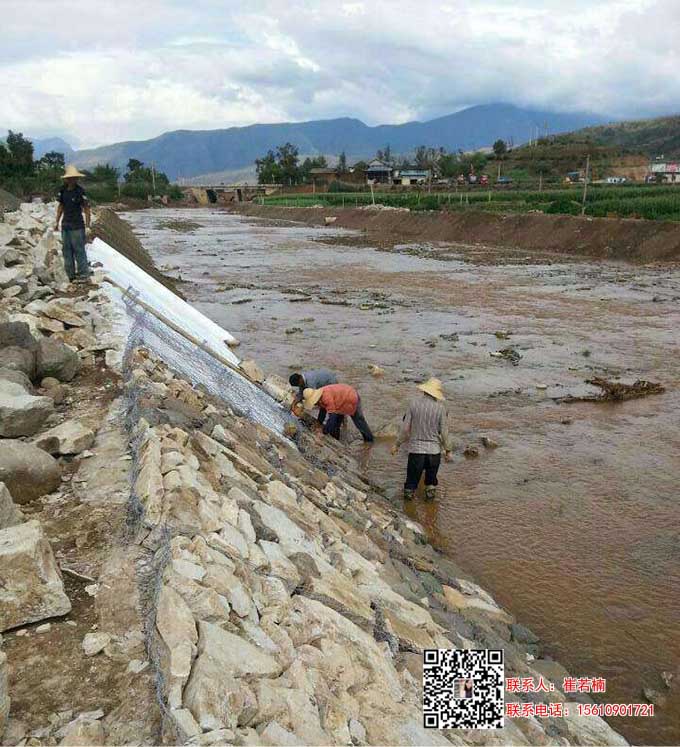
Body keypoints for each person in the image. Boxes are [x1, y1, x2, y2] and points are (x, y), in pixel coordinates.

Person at [391, 377, 452, 501]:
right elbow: (444, 432)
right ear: (436, 394)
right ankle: (430, 514)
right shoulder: (441, 409)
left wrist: (397, 444)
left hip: (416, 451)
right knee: (430, 484)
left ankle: (408, 512)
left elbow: (405, 429)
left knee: (411, 484)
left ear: (425, 390)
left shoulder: (413, 404)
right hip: (434, 452)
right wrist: (448, 450)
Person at [54, 165, 91, 283]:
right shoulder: (62, 190)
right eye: (70, 178)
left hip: (77, 225)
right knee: (66, 250)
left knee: (79, 249)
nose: (72, 180)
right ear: (66, 179)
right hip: (66, 225)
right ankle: (70, 274)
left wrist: (88, 225)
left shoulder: (80, 191)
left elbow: (86, 208)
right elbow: (61, 206)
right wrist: (57, 221)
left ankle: (83, 274)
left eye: (74, 178)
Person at [302, 383, 373, 442]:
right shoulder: (320, 397)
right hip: (341, 399)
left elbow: (332, 417)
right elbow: (322, 412)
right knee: (336, 424)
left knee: (359, 421)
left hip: (350, 397)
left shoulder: (325, 397)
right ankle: (336, 439)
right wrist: (319, 423)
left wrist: (324, 432)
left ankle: (369, 440)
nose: (314, 404)